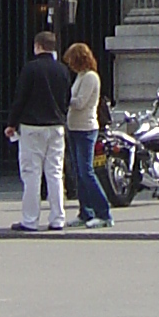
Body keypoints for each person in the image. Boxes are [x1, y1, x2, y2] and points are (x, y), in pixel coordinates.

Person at [6, 28, 73, 233]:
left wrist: (12, 123)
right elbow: (66, 99)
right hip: (56, 126)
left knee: (31, 174)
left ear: (37, 46)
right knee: (54, 173)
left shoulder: (30, 69)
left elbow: (21, 98)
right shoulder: (62, 70)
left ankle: (30, 220)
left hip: (32, 126)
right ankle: (57, 219)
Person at [63, 40, 113, 227]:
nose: (70, 65)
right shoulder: (81, 76)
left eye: (71, 60)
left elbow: (81, 102)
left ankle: (104, 212)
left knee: (87, 172)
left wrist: (65, 97)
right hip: (75, 127)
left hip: (85, 128)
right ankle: (86, 212)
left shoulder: (91, 77)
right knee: (79, 173)